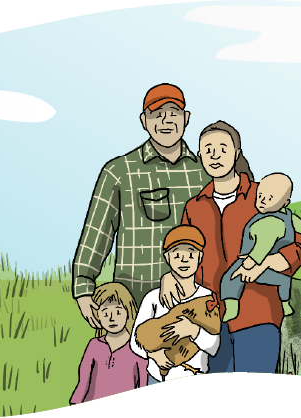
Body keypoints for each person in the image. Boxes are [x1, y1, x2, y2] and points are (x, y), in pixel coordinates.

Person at [159, 120, 301, 374]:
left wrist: (277, 261)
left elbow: (296, 240)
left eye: (222, 148)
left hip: (258, 315)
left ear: (237, 153)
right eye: (207, 149)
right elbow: (183, 253)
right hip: (210, 319)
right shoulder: (194, 207)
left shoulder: (261, 196)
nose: (215, 155)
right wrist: (169, 277)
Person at [72, 83, 211, 331]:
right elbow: (97, 233)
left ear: (186, 118)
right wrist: (84, 288)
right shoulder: (119, 172)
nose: (166, 121)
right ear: (143, 121)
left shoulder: (205, 172)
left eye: (174, 113)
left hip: (197, 305)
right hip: (135, 306)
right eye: (157, 114)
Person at [130, 225, 221, 385]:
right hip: (157, 379)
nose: (184, 260)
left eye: (191, 254)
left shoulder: (207, 297)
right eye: (177, 255)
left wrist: (193, 330)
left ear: (200, 257)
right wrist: (153, 355)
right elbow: (134, 342)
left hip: (196, 378)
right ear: (167, 257)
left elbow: (214, 346)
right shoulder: (153, 298)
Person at [220, 172, 301, 321]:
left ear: (285, 202)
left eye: (270, 198)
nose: (262, 200)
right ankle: (285, 303)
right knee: (282, 280)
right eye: (260, 195)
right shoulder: (289, 217)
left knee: (230, 278)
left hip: (249, 260)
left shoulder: (268, 222)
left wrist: (251, 263)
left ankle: (231, 305)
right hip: (272, 270)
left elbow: (262, 246)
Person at [70, 282, 148, 405]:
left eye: (118, 312)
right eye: (105, 313)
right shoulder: (94, 345)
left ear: (128, 312)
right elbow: (83, 381)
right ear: (97, 316)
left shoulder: (137, 347)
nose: (112, 318)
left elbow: (145, 384)